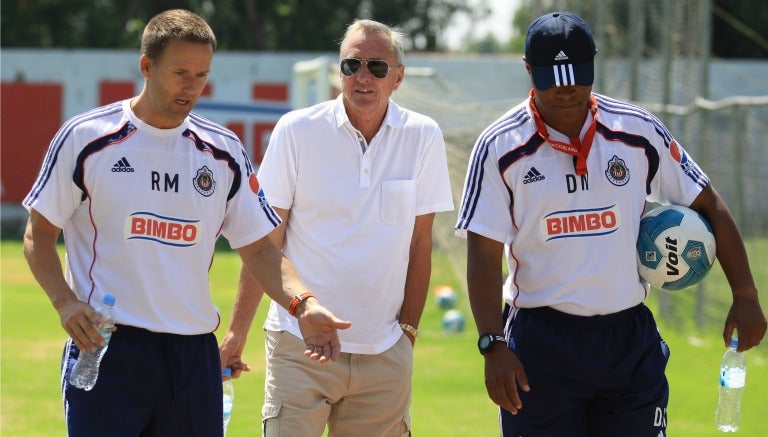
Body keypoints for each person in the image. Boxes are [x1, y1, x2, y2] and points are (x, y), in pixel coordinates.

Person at [22, 9, 350, 436]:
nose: (191, 87)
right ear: (146, 66)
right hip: (107, 347)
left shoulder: (223, 151)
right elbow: (38, 235)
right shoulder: (87, 139)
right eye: (179, 73)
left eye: (201, 75)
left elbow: (260, 249)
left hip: (193, 356)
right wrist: (65, 302)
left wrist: (303, 305)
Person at [456, 11, 766, 437]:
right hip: (541, 343)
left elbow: (709, 203)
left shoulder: (637, 131)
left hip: (627, 340)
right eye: (552, 79)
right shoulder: (499, 146)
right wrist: (492, 343)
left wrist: (746, 294)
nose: (567, 91)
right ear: (528, 69)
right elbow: (484, 252)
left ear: (595, 63)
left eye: (579, 76)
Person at [218, 18, 454, 436]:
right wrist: (236, 334)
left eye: (377, 68)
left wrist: (407, 336)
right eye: (351, 65)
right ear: (339, 72)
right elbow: (264, 242)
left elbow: (421, 245)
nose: (363, 77)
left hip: (385, 355)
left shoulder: (424, 135)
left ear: (397, 78)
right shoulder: (296, 130)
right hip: (299, 346)